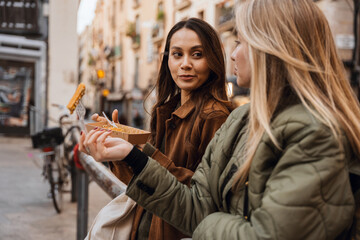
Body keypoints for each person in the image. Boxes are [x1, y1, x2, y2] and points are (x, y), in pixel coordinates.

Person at [80, 0, 360, 239]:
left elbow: (252, 230)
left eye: (241, 42)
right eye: (176, 54)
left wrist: (207, 222)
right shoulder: (241, 119)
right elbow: (196, 204)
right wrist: (131, 154)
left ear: (273, 47)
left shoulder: (315, 133)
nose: (234, 54)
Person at [87, 17, 233, 240]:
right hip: (148, 228)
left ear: (212, 60)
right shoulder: (167, 110)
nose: (185, 64)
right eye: (177, 54)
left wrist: (139, 154)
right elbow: (145, 182)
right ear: (167, 60)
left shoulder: (215, 115)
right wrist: (115, 146)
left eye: (197, 54)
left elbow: (203, 198)